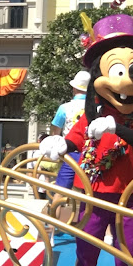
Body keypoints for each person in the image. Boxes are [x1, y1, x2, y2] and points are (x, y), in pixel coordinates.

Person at [50, 71, 90, 211]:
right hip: (91, 154)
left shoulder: (64, 108)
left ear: (74, 88)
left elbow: (55, 132)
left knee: (61, 191)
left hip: (70, 153)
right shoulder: (97, 108)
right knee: (89, 193)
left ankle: (53, 225)